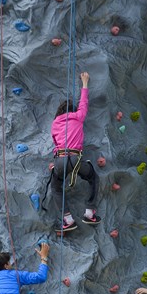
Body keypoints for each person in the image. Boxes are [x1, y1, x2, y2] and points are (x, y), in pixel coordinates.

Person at [50, 71, 100, 234]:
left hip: (60, 159)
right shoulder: (78, 116)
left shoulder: (55, 123)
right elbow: (83, 102)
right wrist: (85, 83)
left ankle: (68, 220)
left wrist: (55, 162)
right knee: (93, 177)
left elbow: (56, 144)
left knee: (56, 187)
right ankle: (89, 212)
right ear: (72, 111)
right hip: (76, 160)